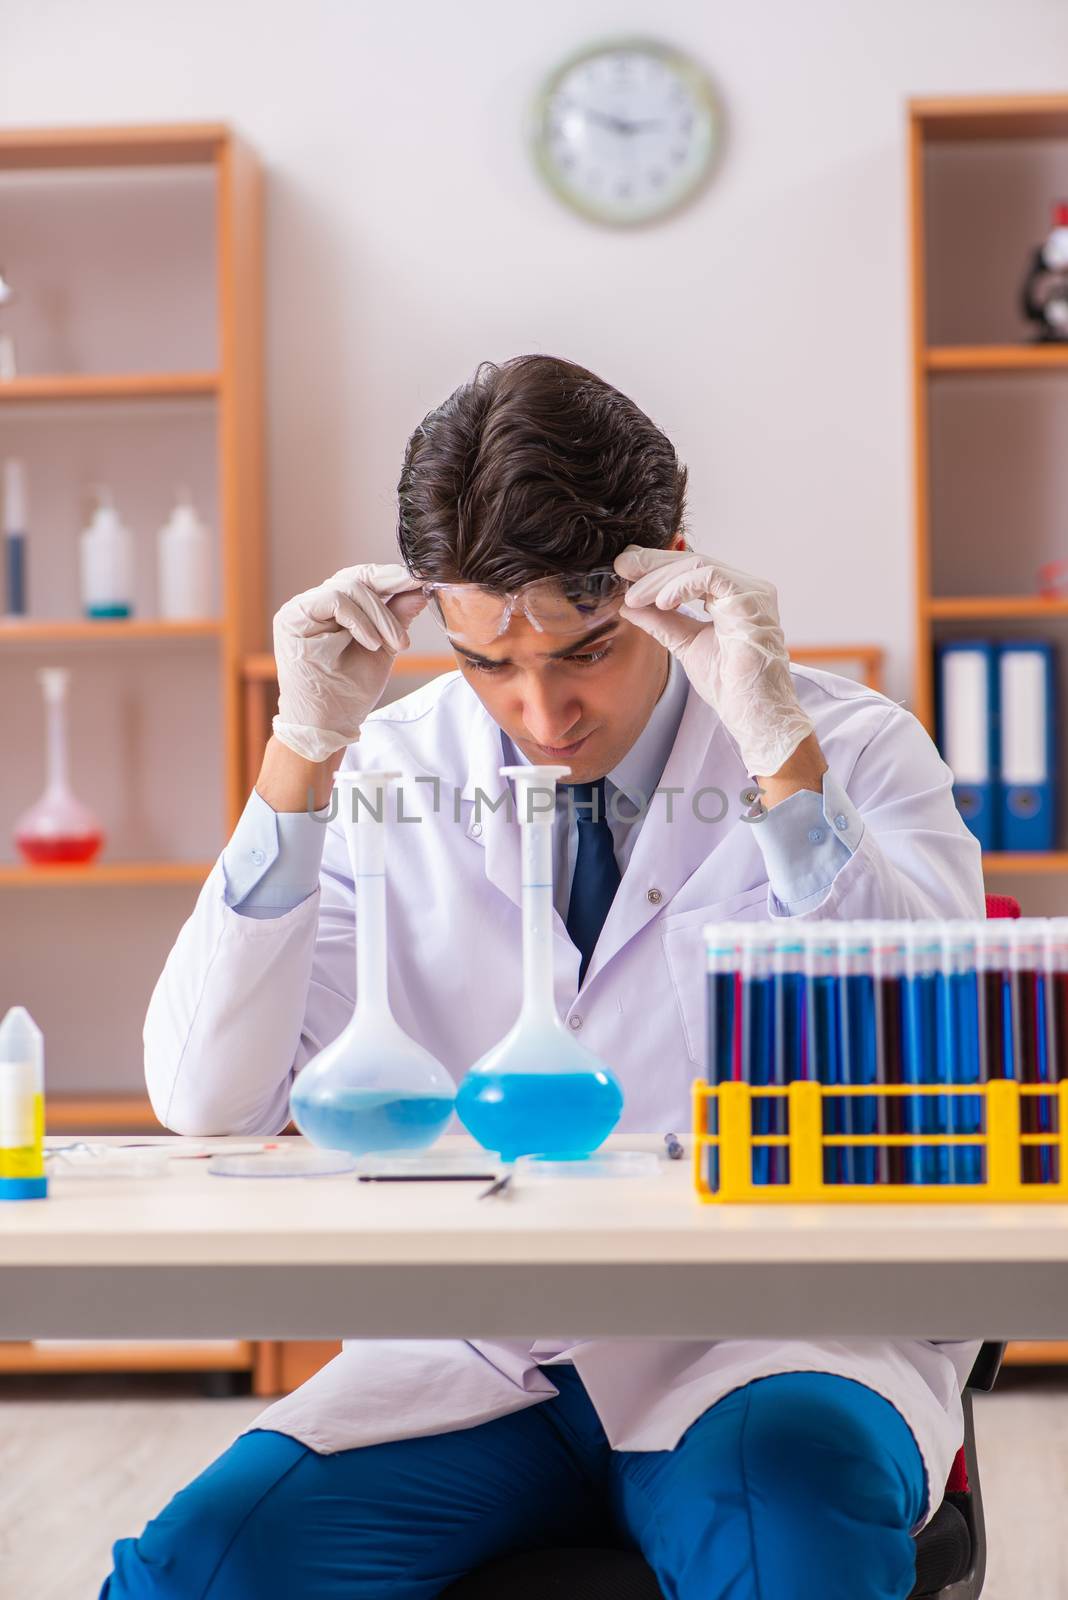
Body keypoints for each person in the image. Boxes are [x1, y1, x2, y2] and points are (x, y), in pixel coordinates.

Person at [103, 355, 984, 1600]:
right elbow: (209, 1098)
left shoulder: (840, 748)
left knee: (784, 1550)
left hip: (765, 1338)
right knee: (203, 1570)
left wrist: (776, 750)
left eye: (585, 651)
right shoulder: (391, 767)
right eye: (485, 664)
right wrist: (299, 759)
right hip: (478, 1350)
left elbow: (933, 1054)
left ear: (670, 571)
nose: (540, 711)